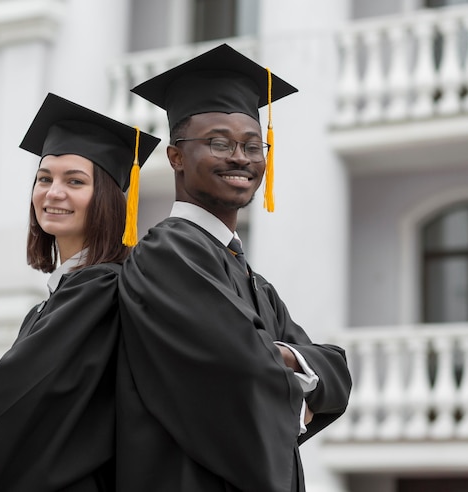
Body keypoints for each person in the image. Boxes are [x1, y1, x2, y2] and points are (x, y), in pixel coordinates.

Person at [116, 44, 352, 492]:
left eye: (251, 145)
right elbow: (243, 372)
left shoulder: (251, 279)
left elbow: (337, 372)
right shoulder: (166, 255)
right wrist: (292, 362)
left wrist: (283, 359)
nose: (241, 157)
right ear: (176, 157)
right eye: (219, 143)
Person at [0, 93, 160, 492]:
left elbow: (4, 398)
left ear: (107, 198)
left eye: (75, 181)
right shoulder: (54, 302)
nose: (53, 192)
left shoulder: (100, 288)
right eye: (44, 178)